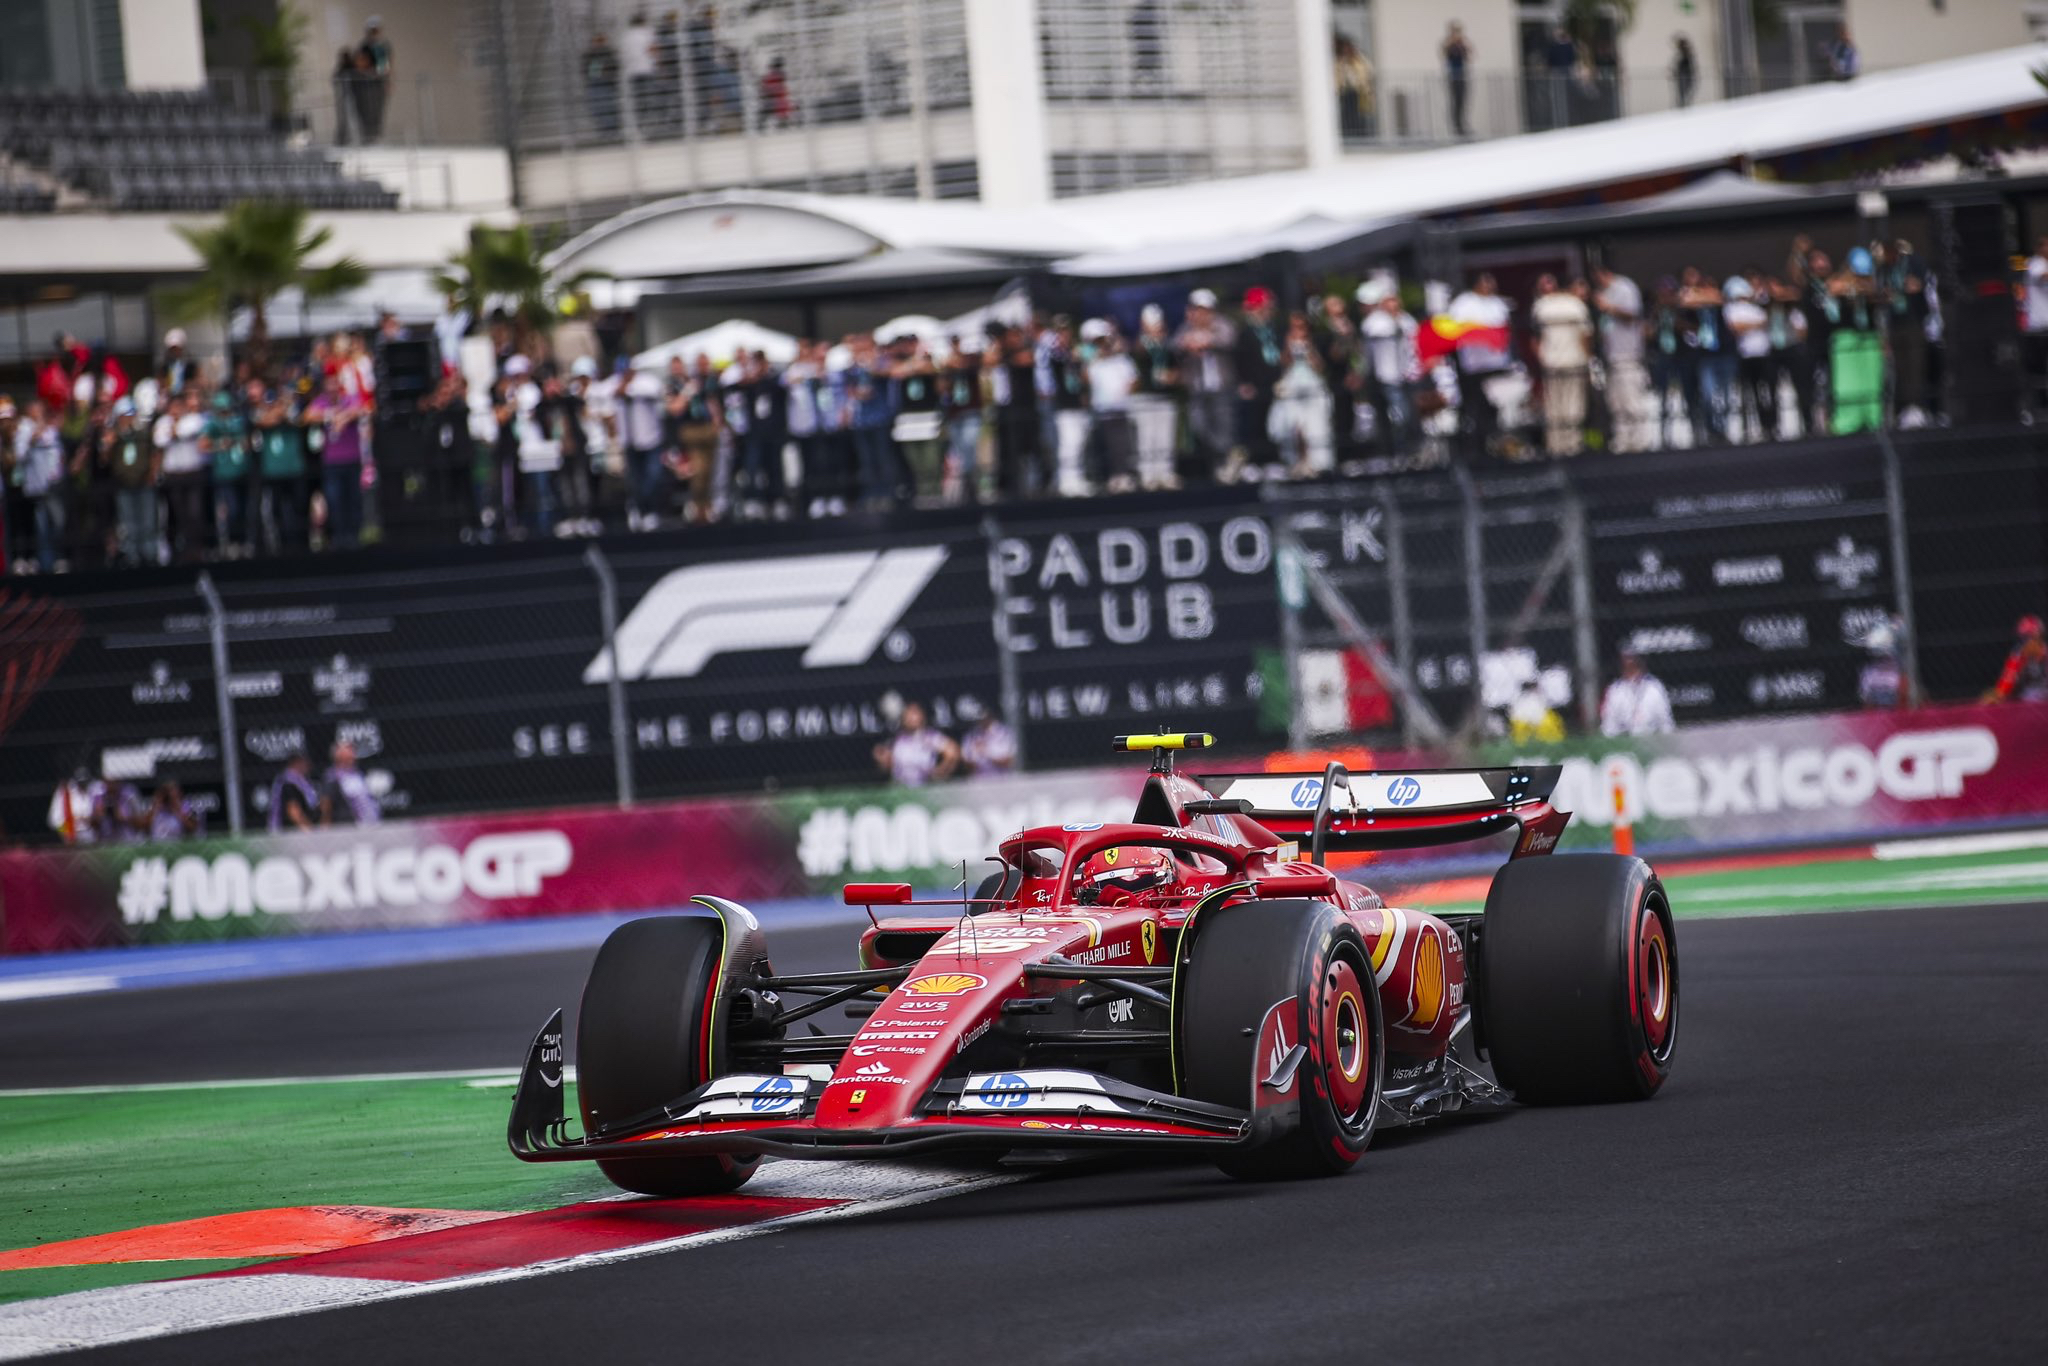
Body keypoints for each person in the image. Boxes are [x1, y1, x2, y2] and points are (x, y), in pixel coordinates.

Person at [1172, 289, 1237, 480]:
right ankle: (1223, 459)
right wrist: (1190, 340)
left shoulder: (1222, 325)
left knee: (1224, 427)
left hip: (1220, 387)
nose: (1202, 314)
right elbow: (1175, 344)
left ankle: (1224, 466)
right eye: (1198, 310)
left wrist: (1207, 340)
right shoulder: (1186, 328)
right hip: (1197, 389)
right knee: (1199, 426)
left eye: (1206, 310)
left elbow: (1229, 338)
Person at [1448, 273, 1512, 462]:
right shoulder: (1464, 303)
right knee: (1475, 407)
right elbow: (1457, 329)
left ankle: (1496, 443)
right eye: (1485, 281)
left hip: (1496, 364)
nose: (1489, 285)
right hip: (1473, 366)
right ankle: (1477, 448)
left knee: (1495, 407)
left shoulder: (1497, 304)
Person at [1531, 274, 1593, 456]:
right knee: (1573, 406)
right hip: (1574, 362)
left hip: (1552, 363)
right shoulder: (1576, 306)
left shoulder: (1541, 306)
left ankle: (1556, 447)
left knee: (1554, 408)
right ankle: (1572, 446)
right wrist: (1588, 360)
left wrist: (1543, 358)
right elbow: (1586, 336)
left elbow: (1535, 339)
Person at [1268, 311, 1332, 477]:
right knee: (1292, 425)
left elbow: (1320, 366)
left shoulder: (1314, 342)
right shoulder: (1283, 341)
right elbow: (1283, 363)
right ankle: (1295, 461)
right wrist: (1289, 346)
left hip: (1311, 384)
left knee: (1315, 425)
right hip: (1292, 384)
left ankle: (1316, 462)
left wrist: (1309, 349)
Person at [307, 373, 367, 549]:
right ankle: (338, 537)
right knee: (334, 500)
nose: (332, 388)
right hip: (332, 462)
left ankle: (354, 536)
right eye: (329, 385)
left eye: (335, 384)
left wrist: (344, 416)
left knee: (354, 499)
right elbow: (308, 415)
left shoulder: (349, 400)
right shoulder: (322, 403)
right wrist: (329, 415)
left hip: (352, 459)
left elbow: (362, 409)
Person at [1358, 280, 1417, 458]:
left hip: (1408, 374)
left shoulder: (1406, 319)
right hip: (1387, 376)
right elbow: (1370, 346)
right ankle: (1398, 452)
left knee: (1409, 415)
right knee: (1398, 416)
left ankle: (1409, 450)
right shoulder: (1375, 322)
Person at [1594, 267, 1650, 452]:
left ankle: (1640, 440)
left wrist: (1608, 307)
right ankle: (1623, 440)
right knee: (1616, 403)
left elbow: (1632, 314)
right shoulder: (1607, 292)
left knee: (1631, 401)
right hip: (1612, 356)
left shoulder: (1625, 288)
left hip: (1628, 355)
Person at [13, 399, 71, 573]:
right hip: (35, 489)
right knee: (41, 527)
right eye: (34, 410)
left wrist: (58, 474)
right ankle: (45, 563)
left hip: (53, 486)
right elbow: (19, 456)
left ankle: (59, 559)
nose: (38, 413)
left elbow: (58, 455)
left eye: (40, 410)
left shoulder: (52, 431)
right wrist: (32, 439)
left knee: (59, 522)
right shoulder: (23, 431)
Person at [1083, 318, 1138, 492]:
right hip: (1101, 410)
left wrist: (1123, 395)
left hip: (1120, 409)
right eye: (1099, 343)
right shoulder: (1093, 364)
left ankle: (1123, 475)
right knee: (1103, 445)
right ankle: (1109, 476)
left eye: (1105, 342)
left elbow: (1133, 380)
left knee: (1122, 444)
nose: (1103, 346)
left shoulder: (1122, 361)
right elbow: (1085, 380)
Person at [1128, 304, 1180, 490]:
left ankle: (1165, 472)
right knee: (1146, 438)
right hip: (1145, 398)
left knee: (1165, 437)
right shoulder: (1140, 345)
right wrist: (1151, 338)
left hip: (1164, 397)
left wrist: (1172, 376)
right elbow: (1138, 355)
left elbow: (1175, 369)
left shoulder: (1167, 345)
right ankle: (1148, 474)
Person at [102, 397, 158, 565]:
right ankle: (133, 558)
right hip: (123, 485)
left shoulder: (143, 433)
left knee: (147, 521)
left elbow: (154, 453)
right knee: (128, 523)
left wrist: (152, 474)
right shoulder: (113, 436)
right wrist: (108, 444)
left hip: (144, 484)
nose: (127, 419)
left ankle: (149, 556)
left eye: (130, 414)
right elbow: (104, 460)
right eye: (124, 415)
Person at [1234, 288, 1284, 475]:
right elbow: (1239, 361)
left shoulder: (1276, 330)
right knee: (1254, 424)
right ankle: (1254, 462)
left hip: (1275, 383)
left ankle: (1273, 460)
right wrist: (1243, 383)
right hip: (1254, 385)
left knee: (1275, 425)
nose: (1266, 311)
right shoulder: (1244, 333)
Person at [1722, 273, 1774, 443]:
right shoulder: (1730, 308)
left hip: (1763, 355)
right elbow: (1736, 327)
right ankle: (1747, 429)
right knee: (1746, 395)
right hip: (1744, 357)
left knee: (1764, 394)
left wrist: (1753, 324)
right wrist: (1756, 324)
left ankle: (1768, 428)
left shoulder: (1756, 307)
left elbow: (1767, 320)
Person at [203, 390, 252, 557]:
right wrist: (220, 444)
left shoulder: (238, 421)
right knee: (231, 509)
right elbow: (203, 444)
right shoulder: (212, 424)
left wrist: (238, 442)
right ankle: (232, 541)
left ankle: (244, 541)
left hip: (241, 470)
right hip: (223, 473)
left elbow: (248, 443)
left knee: (244, 508)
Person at [939, 336, 986, 504]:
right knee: (959, 451)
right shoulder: (947, 365)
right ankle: (966, 485)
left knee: (969, 447)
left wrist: (956, 363)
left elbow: (979, 364)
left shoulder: (971, 360)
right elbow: (941, 388)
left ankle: (971, 485)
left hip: (971, 411)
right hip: (954, 413)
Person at [873, 702, 958, 787]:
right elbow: (886, 765)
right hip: (901, 785)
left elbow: (953, 752)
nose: (911, 718)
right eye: (908, 715)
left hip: (924, 785)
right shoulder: (897, 738)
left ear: (921, 716)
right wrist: (883, 760)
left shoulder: (929, 736)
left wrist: (940, 771)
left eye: (914, 714)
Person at [1600, 649, 1675, 736]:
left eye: (1633, 661)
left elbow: (1666, 723)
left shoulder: (1655, 687)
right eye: (1626, 660)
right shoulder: (1615, 690)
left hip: (1651, 739)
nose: (1630, 663)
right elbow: (1609, 725)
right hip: (1624, 741)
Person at [1987, 615, 2048, 704]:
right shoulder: (2018, 655)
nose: (2027, 642)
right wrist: (1997, 695)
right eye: (2023, 638)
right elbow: (2006, 682)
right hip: (2028, 699)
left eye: (2029, 637)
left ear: (2039, 637)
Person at [323, 740, 382, 826]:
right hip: (350, 825)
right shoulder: (333, 776)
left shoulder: (357, 773)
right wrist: (326, 824)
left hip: (371, 822)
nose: (353, 754)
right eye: (349, 751)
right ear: (339, 755)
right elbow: (327, 802)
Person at [1334, 35, 1374, 142]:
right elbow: (1339, 74)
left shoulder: (1359, 60)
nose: (1347, 50)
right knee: (1346, 115)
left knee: (1359, 114)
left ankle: (1361, 136)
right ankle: (1349, 135)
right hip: (1344, 91)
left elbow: (1367, 71)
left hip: (1359, 91)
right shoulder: (1340, 61)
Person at [959, 706, 1017, 779]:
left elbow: (1008, 762)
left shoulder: (1005, 732)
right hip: (978, 782)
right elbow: (966, 764)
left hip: (1002, 780)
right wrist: (973, 757)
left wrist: (986, 752)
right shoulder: (970, 735)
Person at [269, 750, 321, 833]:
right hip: (289, 832)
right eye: (305, 762)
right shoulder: (288, 782)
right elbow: (293, 811)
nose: (309, 765)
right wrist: (310, 831)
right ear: (296, 762)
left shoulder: (302, 780)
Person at [2025, 237, 2048, 413]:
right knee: (2039, 368)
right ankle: (2040, 406)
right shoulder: (2036, 264)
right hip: (2039, 326)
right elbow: (2042, 277)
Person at [584, 29, 622, 136]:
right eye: (597, 41)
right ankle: (604, 131)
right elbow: (585, 70)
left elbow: (615, 67)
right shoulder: (589, 55)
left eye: (601, 41)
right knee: (599, 109)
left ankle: (612, 131)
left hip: (607, 85)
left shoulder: (609, 53)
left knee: (609, 108)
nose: (599, 43)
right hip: (595, 85)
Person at [1442, 22, 1472, 138]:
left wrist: (1463, 44)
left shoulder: (1462, 44)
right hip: (1453, 76)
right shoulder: (1448, 44)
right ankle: (1456, 126)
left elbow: (1469, 55)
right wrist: (1452, 43)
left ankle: (1462, 125)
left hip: (1462, 75)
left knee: (1462, 101)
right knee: (1455, 101)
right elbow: (1444, 54)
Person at [1671, 35, 1697, 108]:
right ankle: (1682, 107)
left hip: (1685, 77)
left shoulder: (1686, 55)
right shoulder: (1681, 55)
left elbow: (1688, 67)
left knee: (1685, 96)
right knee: (1682, 97)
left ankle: (1684, 108)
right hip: (1682, 78)